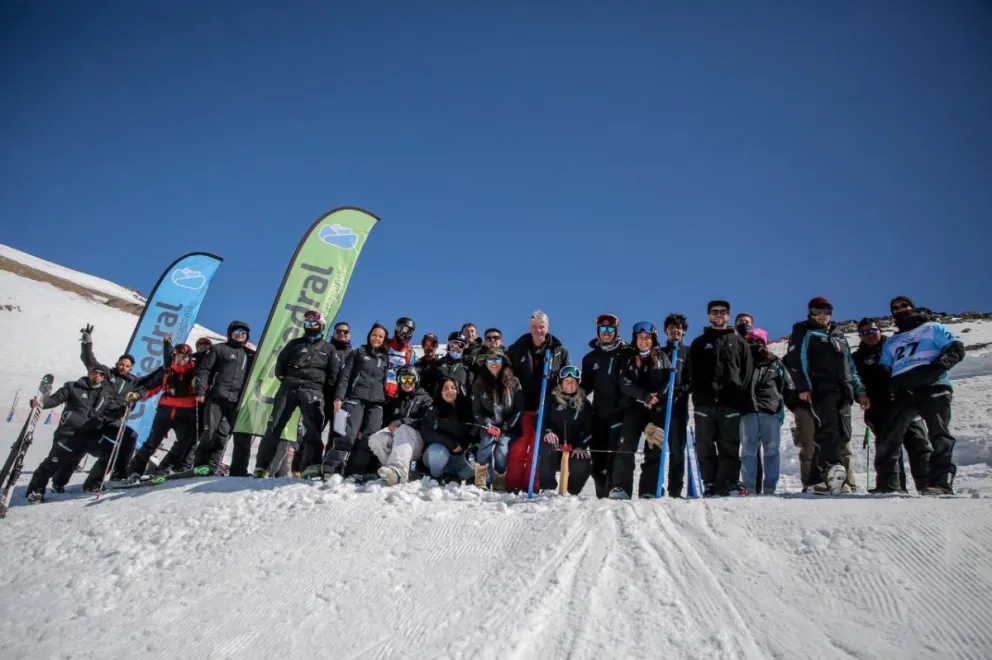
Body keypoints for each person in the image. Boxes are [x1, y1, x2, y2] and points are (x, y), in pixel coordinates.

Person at [879, 296, 965, 495]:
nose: (900, 309)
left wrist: (935, 369)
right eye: (895, 308)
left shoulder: (932, 327)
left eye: (904, 305)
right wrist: (890, 385)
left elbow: (956, 348)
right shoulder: (892, 341)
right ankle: (889, 483)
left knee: (939, 433)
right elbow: (884, 368)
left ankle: (941, 482)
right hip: (904, 391)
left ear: (913, 307)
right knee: (889, 435)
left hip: (932, 386)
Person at [785, 297, 869, 495]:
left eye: (825, 311)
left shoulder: (839, 335)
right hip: (820, 389)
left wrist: (859, 391)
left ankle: (822, 479)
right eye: (816, 311)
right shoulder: (804, 331)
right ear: (810, 313)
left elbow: (850, 366)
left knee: (844, 434)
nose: (821, 315)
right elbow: (797, 359)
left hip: (843, 392)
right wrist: (803, 386)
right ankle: (828, 474)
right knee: (827, 431)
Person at [253, 311, 339, 477]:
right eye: (308, 323)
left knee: (313, 428)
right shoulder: (294, 344)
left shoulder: (329, 348)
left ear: (321, 326)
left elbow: (333, 374)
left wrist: (319, 386)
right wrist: (288, 380)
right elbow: (280, 366)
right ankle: (262, 467)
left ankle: (311, 466)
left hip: (313, 389)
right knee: (275, 425)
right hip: (289, 388)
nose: (310, 326)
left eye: (314, 323)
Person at [684, 300, 753, 496]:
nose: (719, 315)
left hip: (730, 401)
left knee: (729, 443)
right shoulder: (699, 343)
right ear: (709, 315)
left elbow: (747, 373)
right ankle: (710, 483)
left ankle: (728, 482)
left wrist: (740, 398)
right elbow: (690, 372)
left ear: (728, 316)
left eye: (723, 312)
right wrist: (696, 394)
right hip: (704, 402)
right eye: (715, 312)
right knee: (704, 444)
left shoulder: (739, 342)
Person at [58, 323, 140, 486]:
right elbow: (89, 360)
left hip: (113, 422)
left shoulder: (133, 382)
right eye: (121, 364)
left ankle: (114, 474)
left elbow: (146, 388)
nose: (123, 367)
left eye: (127, 366)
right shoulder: (106, 373)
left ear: (131, 369)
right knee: (79, 448)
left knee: (129, 438)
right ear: (117, 363)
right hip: (95, 418)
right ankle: (59, 481)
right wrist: (86, 342)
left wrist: (131, 404)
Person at [25, 367, 119, 502]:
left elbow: (113, 410)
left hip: (92, 435)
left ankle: (92, 483)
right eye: (94, 373)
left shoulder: (106, 394)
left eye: (100, 374)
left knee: (111, 453)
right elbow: (54, 400)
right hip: (69, 433)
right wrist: (41, 402)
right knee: (54, 462)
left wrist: (128, 406)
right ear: (89, 373)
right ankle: (36, 490)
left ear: (103, 377)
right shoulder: (72, 387)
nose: (97, 376)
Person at [505, 310, 570, 491]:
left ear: (547, 328)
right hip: (523, 406)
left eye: (541, 327)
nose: (537, 330)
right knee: (519, 446)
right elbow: (507, 373)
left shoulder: (559, 351)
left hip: (545, 407)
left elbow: (565, 378)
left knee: (537, 449)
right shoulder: (517, 348)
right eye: (534, 326)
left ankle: (532, 486)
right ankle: (513, 485)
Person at [322, 322, 389, 477]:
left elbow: (383, 381)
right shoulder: (358, 352)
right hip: (356, 398)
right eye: (374, 335)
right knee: (347, 435)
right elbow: (345, 377)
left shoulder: (384, 359)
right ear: (369, 336)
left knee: (370, 438)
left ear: (384, 340)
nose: (377, 338)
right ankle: (330, 469)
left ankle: (354, 472)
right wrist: (339, 397)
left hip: (376, 402)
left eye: (380, 337)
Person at [125, 343, 200, 481]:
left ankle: (165, 467)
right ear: (173, 356)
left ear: (189, 357)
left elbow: (204, 386)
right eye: (177, 356)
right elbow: (152, 386)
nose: (180, 359)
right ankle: (134, 471)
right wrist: (138, 395)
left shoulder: (196, 371)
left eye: (184, 356)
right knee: (152, 442)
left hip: (185, 412)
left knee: (185, 441)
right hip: (165, 411)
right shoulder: (167, 371)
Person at [616, 322, 672, 500]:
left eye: (647, 338)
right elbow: (624, 382)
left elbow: (670, 380)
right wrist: (643, 396)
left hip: (655, 408)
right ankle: (622, 487)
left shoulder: (662, 357)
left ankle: (650, 488)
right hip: (634, 407)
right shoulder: (629, 358)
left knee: (654, 445)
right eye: (640, 337)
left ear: (653, 339)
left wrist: (658, 396)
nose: (644, 341)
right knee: (626, 445)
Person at [190, 320, 254, 474]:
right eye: (237, 332)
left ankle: (216, 467)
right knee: (210, 431)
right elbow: (204, 370)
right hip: (217, 397)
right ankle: (200, 466)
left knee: (225, 435)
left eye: (243, 333)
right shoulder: (219, 349)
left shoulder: (249, 354)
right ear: (230, 333)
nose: (240, 335)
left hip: (237, 400)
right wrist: (200, 391)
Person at [580, 313, 631, 498]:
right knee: (597, 460)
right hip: (599, 414)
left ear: (617, 331)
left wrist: (625, 403)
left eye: (610, 329)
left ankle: (614, 494)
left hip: (619, 413)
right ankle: (601, 497)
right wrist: (570, 394)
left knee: (613, 458)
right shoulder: (590, 358)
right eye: (603, 329)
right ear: (598, 331)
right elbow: (586, 386)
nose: (606, 332)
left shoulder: (626, 353)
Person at [740, 329, 795, 495]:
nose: (755, 345)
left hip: (770, 411)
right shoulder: (742, 362)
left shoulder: (775, 362)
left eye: (759, 341)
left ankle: (770, 488)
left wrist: (780, 402)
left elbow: (788, 385)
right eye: (751, 341)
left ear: (764, 343)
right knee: (748, 451)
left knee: (772, 450)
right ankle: (749, 487)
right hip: (748, 410)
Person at [642, 313, 691, 498]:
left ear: (683, 331)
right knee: (655, 447)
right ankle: (653, 488)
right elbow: (651, 378)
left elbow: (691, 379)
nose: (675, 330)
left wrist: (681, 390)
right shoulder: (658, 353)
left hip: (679, 408)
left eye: (678, 327)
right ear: (666, 331)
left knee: (677, 451)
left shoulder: (687, 352)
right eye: (671, 327)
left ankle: (675, 490)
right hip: (660, 408)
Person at [365, 365, 434, 485]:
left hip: (416, 442)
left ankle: (399, 472)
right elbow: (387, 423)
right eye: (403, 379)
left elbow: (425, 421)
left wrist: (401, 422)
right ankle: (393, 473)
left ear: (416, 380)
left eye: (410, 379)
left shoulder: (425, 399)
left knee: (403, 429)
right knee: (376, 438)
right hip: (397, 440)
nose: (407, 383)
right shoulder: (397, 400)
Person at [471, 346, 524, 490]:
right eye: (490, 360)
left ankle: (499, 477)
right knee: (485, 446)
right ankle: (481, 479)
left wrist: (506, 427)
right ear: (485, 363)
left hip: (508, 426)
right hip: (489, 425)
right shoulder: (479, 383)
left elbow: (519, 409)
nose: (493, 363)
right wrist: (486, 423)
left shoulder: (514, 382)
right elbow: (477, 410)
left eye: (497, 359)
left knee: (501, 451)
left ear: (503, 362)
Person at [539, 365, 594, 494]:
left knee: (582, 463)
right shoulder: (550, 400)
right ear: (561, 383)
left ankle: (571, 492)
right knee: (547, 445)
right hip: (555, 448)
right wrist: (547, 432)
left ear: (578, 383)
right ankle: (547, 488)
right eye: (566, 381)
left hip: (573, 449)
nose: (570, 384)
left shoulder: (585, 405)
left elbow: (590, 430)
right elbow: (540, 421)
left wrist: (581, 446)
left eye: (573, 381)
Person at [421, 377, 476, 483]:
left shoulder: (467, 408)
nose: (449, 391)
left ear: (458, 390)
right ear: (440, 391)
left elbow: (474, 431)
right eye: (445, 388)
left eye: (453, 388)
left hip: (460, 456)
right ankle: (436, 477)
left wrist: (465, 443)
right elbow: (426, 432)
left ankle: (455, 478)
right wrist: (448, 442)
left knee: (476, 463)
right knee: (438, 454)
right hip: (437, 453)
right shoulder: (434, 408)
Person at [426, 332, 475, 398]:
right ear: (449, 345)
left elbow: (472, 385)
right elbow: (427, 383)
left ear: (464, 348)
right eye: (454, 344)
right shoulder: (439, 364)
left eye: (460, 345)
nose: (456, 348)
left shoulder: (468, 365)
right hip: (440, 401)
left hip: (461, 401)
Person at [385, 317, 417, 399]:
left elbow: (409, 374)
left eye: (408, 331)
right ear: (396, 329)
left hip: (396, 395)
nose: (403, 333)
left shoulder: (410, 353)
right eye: (401, 329)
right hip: (379, 390)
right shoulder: (386, 344)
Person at [416, 332, 442, 397]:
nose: (430, 347)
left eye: (433, 344)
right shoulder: (416, 366)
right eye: (427, 344)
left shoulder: (441, 365)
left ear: (436, 346)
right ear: (423, 346)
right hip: (419, 400)